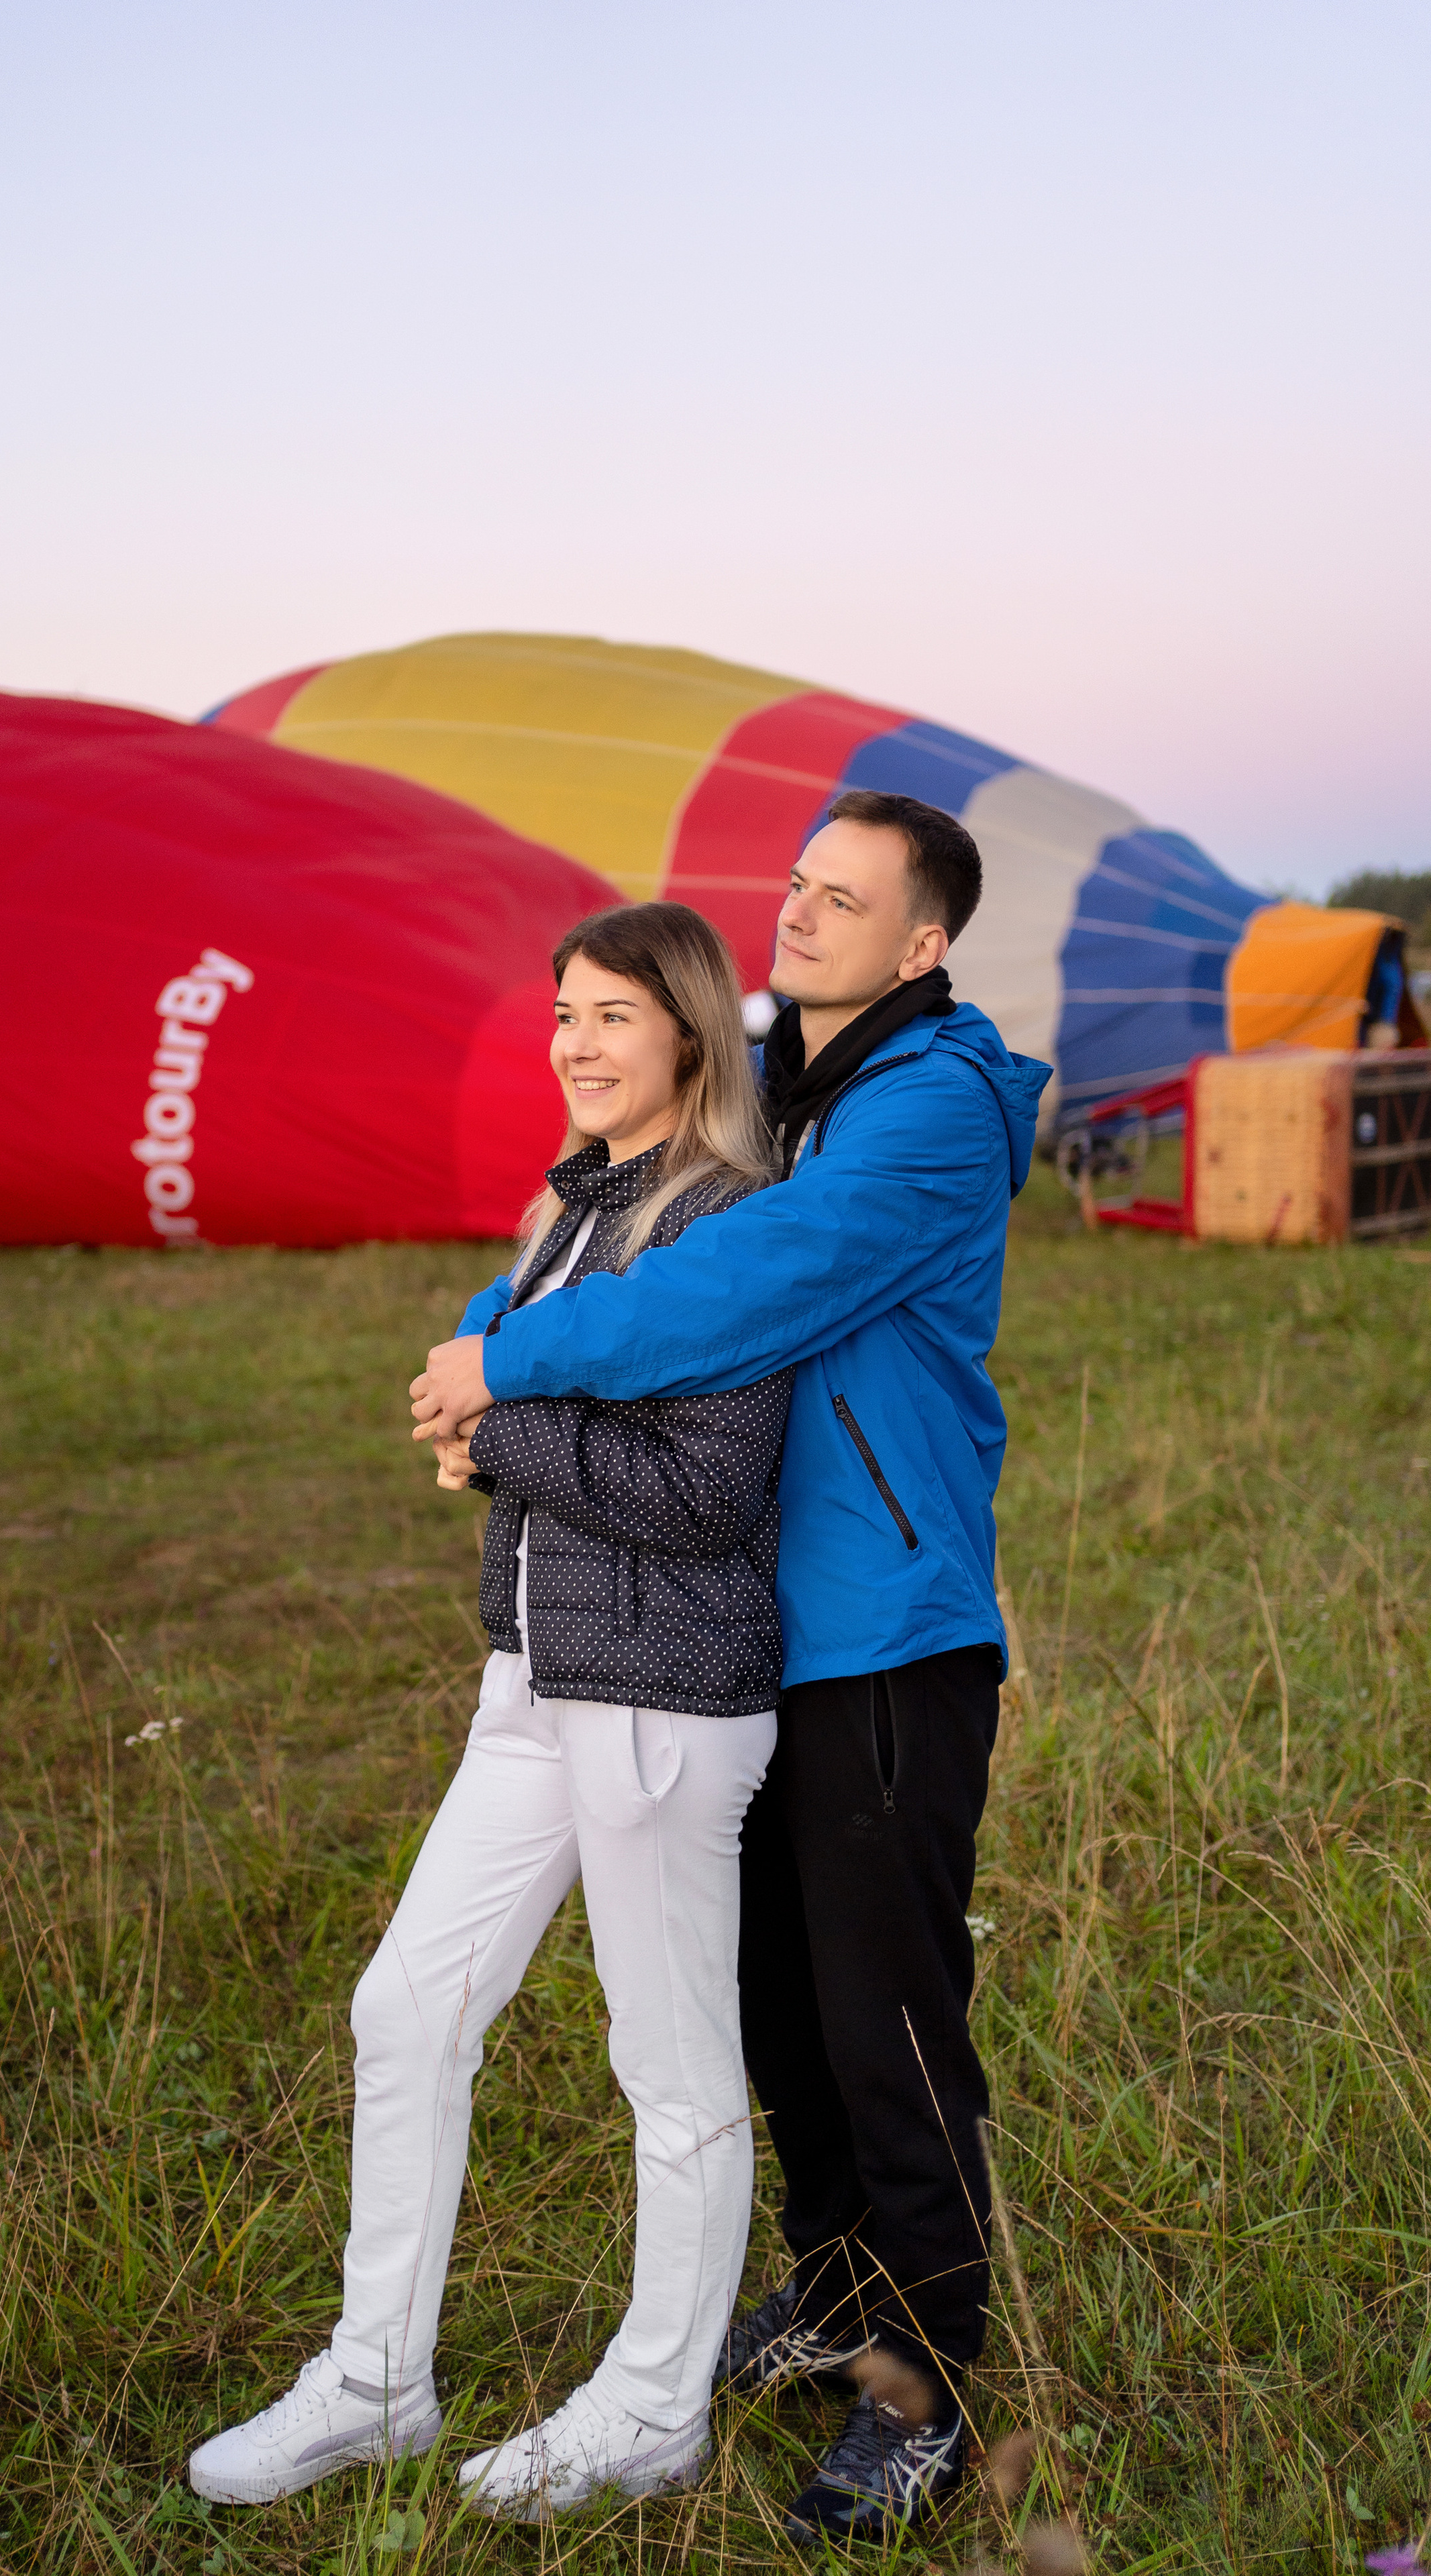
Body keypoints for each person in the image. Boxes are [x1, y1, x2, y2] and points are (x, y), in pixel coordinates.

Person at [411, 789, 1052, 2546]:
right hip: (747, 1641)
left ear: (925, 943)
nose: (803, 913)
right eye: (797, 885)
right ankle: (839, 2295)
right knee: (779, 2001)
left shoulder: (921, 1113)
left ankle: (922, 2385)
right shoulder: (783, 1091)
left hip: (889, 1637)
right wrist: (488, 1337)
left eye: (850, 901)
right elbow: (618, 1199)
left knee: (888, 2018)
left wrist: (512, 1367)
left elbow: (747, 1275)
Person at [189, 902, 794, 2519]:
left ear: (688, 1031)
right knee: (406, 2010)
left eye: (613, 1015)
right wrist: (483, 1407)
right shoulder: (570, 1211)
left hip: (662, 1690)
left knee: (667, 2070)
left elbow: (711, 1493)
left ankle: (654, 2413)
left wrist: (495, 1425)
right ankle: (376, 2380)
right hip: (531, 1675)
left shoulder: (729, 1217)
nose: (578, 1045)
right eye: (563, 1016)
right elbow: (516, 1398)